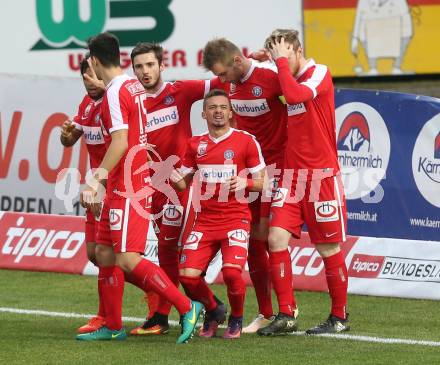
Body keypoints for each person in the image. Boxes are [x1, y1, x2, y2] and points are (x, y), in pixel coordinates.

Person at [76, 32, 203, 343]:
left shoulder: (116, 91)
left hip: (126, 185)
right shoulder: (131, 87)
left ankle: (188, 307)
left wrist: (96, 179)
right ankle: (113, 324)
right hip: (128, 179)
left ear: (93, 60)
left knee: (128, 258)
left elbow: (120, 141)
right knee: (105, 253)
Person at [128, 42, 225, 335]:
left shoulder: (180, 91)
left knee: (181, 257)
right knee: (167, 253)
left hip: (185, 185)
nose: (145, 71)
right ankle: (187, 311)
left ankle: (199, 308)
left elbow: (223, 80)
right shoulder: (132, 101)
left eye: (149, 65)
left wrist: (248, 65)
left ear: (161, 65)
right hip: (154, 186)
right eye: (139, 67)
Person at [257, 29, 349, 336]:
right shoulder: (285, 71)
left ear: (297, 51)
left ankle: (339, 317)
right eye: (275, 56)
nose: (279, 61)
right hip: (292, 177)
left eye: (283, 54)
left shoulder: (318, 72)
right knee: (275, 239)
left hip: (321, 177)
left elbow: (295, 95)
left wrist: (279, 63)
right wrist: (263, 62)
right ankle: (286, 313)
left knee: (328, 248)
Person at [202, 38, 288, 333]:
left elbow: (300, 94)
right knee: (253, 241)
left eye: (223, 74)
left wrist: (277, 60)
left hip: (274, 170)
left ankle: (286, 309)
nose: (220, 80)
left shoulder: (269, 77)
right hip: (245, 172)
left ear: (237, 62)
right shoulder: (227, 83)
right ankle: (266, 312)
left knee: (266, 237)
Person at [171, 89, 265, 339]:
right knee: (187, 277)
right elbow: (182, 182)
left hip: (236, 217)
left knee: (232, 272)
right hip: (205, 220)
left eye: (223, 107)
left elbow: (265, 182)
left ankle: (236, 317)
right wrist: (165, 173)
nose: (218, 111)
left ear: (231, 112)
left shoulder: (245, 140)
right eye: (212, 107)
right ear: (204, 114)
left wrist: (247, 183)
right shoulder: (195, 144)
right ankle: (214, 310)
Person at [60, 56, 107, 334]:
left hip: (113, 186)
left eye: (93, 77)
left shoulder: (114, 103)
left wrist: (101, 185)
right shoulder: (86, 104)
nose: (89, 83)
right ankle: (155, 292)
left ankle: (105, 318)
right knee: (94, 254)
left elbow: (122, 148)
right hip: (94, 186)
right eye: (84, 78)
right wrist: (65, 135)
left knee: (106, 255)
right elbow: (70, 139)